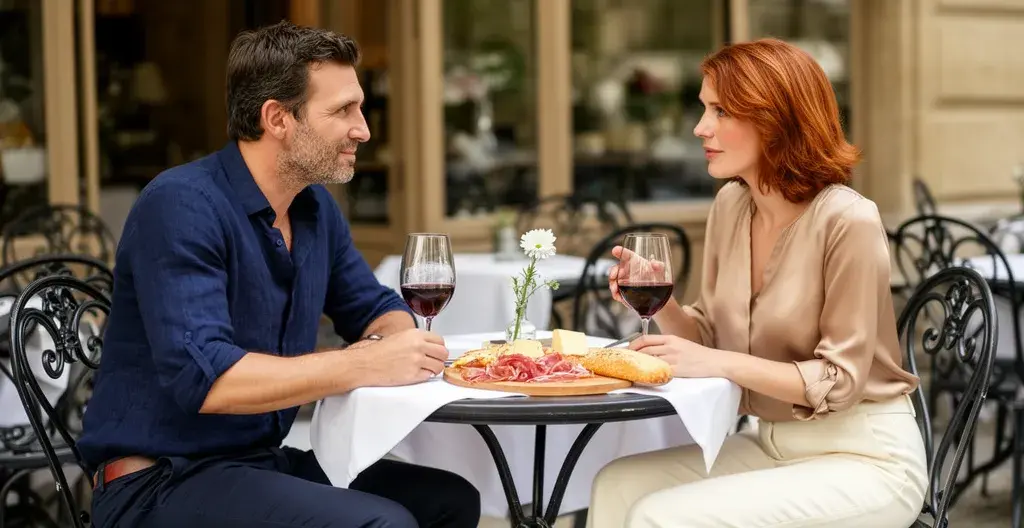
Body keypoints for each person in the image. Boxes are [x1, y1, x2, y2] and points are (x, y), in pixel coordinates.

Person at [78, 21, 480, 528]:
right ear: (277, 118)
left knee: (451, 498)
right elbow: (211, 381)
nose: (364, 129)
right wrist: (364, 363)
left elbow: (374, 308)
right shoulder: (180, 205)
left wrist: (398, 341)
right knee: (383, 523)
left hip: (255, 463)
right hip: (157, 484)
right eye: (342, 111)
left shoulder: (314, 210)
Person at [588, 38, 927, 528]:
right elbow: (706, 337)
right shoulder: (731, 205)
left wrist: (716, 359)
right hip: (771, 443)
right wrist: (663, 301)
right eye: (705, 108)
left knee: (662, 517)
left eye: (721, 111)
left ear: (776, 121)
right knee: (616, 483)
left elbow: (840, 381)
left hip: (866, 459)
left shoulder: (848, 220)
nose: (701, 127)